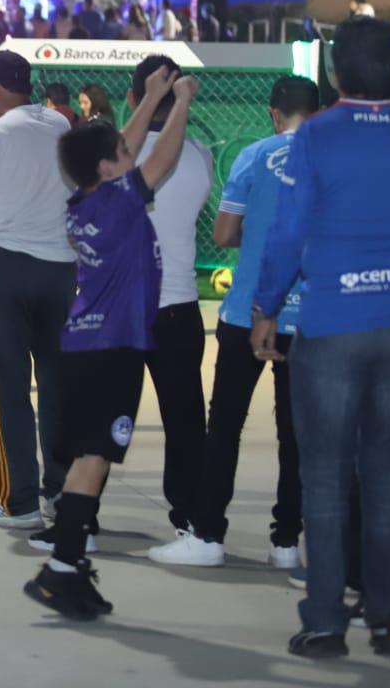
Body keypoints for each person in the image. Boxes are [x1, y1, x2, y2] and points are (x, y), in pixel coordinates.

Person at [253, 16, 390, 658]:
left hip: (333, 325)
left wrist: (265, 306)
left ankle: (324, 621)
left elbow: (287, 233)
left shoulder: (316, 137)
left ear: (335, 71)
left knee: (327, 476)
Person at [23, 68, 196, 620]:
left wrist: (148, 98)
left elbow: (127, 146)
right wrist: (182, 102)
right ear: (107, 168)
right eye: (121, 152)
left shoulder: (87, 202)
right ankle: (60, 568)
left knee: (87, 459)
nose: (130, 150)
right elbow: (158, 161)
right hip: (114, 347)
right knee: (96, 457)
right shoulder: (119, 204)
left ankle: (68, 566)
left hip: (86, 346)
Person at [148, 77, 317, 570]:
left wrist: (259, 232)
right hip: (307, 316)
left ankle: (208, 535)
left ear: (273, 113)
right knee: (296, 433)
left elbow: (223, 233)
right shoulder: (330, 160)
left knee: (225, 425)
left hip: (247, 311)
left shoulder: (254, 156)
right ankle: (286, 542)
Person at [0, 50, 75, 529]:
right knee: (56, 384)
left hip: (5, 261)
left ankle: (18, 501)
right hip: (61, 267)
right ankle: (61, 493)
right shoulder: (60, 125)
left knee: (8, 386)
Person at [129, 55, 215, 538]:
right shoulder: (200, 153)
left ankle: (83, 517)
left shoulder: (116, 153)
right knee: (185, 420)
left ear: (134, 98)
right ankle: (189, 519)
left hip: (123, 307)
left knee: (103, 417)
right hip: (179, 304)